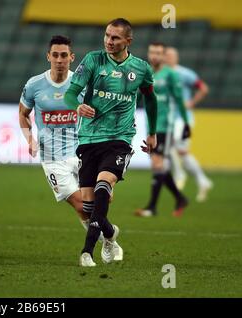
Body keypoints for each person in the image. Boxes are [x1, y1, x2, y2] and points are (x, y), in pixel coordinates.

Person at [19, 35, 123, 261]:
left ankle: (107, 237)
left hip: (83, 151)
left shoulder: (82, 84)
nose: (59, 59)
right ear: (48, 56)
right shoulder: (34, 85)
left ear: (72, 58)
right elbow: (23, 114)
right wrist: (29, 139)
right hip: (52, 158)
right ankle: (109, 234)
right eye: (55, 55)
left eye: (64, 55)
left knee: (101, 199)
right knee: (82, 206)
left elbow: (99, 113)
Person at [64, 18, 158, 267]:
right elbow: (71, 93)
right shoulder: (93, 60)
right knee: (87, 204)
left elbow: (150, 99)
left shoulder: (140, 68)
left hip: (119, 138)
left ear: (128, 41)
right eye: (107, 35)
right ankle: (110, 234)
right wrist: (78, 105)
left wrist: (152, 132)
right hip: (89, 138)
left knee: (103, 184)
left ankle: (87, 252)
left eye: (115, 38)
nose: (109, 41)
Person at [135, 43, 191, 218]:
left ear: (163, 56)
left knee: (158, 164)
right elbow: (137, 96)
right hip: (151, 126)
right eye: (152, 52)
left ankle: (152, 207)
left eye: (159, 53)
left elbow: (179, 98)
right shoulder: (146, 72)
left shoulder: (170, 74)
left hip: (165, 127)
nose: (155, 56)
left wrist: (186, 123)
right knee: (158, 166)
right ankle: (180, 198)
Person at [165, 47, 213, 202]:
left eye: (172, 55)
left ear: (177, 58)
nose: (169, 58)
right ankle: (203, 181)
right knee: (183, 153)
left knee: (173, 143)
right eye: (167, 56)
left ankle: (180, 174)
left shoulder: (185, 74)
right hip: (170, 119)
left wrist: (192, 102)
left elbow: (203, 88)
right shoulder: (161, 74)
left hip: (183, 119)